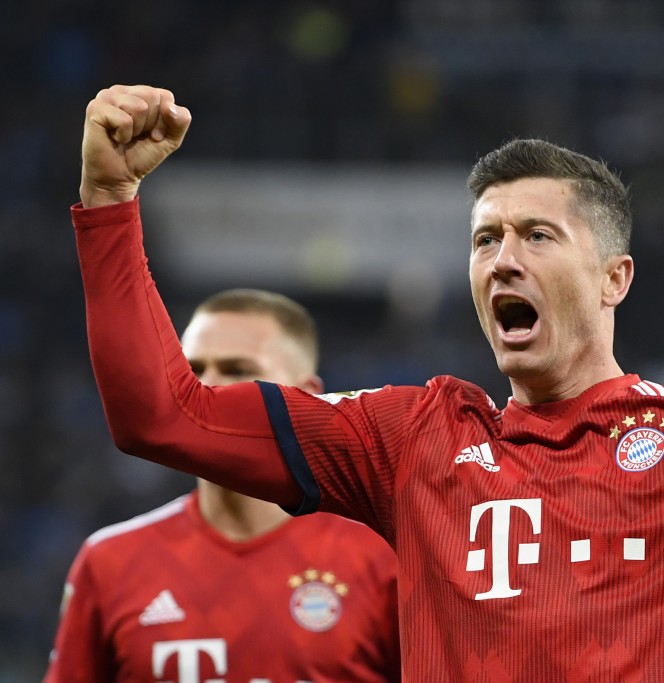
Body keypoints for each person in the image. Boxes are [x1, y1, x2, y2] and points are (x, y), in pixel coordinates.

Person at [70, 46, 664, 681]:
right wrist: (109, 200)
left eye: (537, 235)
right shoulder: (413, 441)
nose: (502, 259)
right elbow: (163, 414)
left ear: (614, 278)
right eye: (485, 240)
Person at [44, 289, 401, 682]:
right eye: (192, 370)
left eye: (236, 370)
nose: (202, 389)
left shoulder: (384, 560)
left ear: (307, 396)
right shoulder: (110, 562)